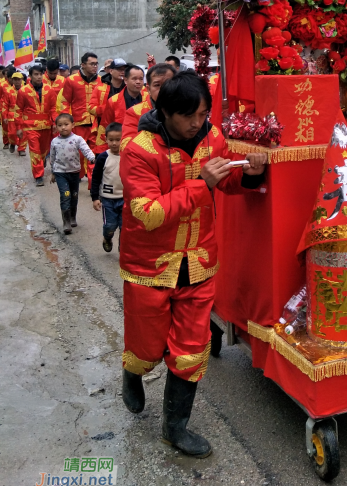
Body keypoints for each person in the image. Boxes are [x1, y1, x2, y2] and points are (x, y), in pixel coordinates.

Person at [119, 71, 266, 456]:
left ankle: (175, 427)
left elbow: (226, 181)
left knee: (190, 350)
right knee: (148, 347)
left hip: (199, 261)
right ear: (166, 111)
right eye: (189, 116)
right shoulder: (139, 150)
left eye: (203, 114)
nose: (197, 124)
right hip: (149, 267)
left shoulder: (213, 138)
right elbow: (147, 213)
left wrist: (249, 174)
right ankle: (133, 371)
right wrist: (202, 183)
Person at [50, 113, 96, 234]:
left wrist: (92, 158)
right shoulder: (54, 141)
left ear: (73, 125)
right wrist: (53, 172)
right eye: (60, 125)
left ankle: (72, 217)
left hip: (74, 172)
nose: (63, 127)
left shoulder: (77, 139)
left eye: (66, 124)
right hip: (60, 173)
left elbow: (86, 149)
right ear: (56, 127)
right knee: (65, 195)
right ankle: (66, 222)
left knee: (74, 195)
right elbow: (53, 157)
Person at [59, 52, 101, 181]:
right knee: (78, 153)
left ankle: (92, 182)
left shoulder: (100, 80)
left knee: (94, 152)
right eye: (91, 64)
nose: (95, 66)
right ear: (83, 65)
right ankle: (78, 175)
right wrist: (66, 121)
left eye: (96, 64)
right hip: (78, 122)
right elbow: (65, 101)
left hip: (95, 123)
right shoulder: (71, 80)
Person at [16, 64, 57, 186]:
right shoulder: (23, 91)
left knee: (44, 150)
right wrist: (19, 127)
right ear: (30, 76)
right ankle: (38, 175)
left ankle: (42, 161)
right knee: (35, 151)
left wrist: (55, 122)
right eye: (36, 74)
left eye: (40, 74)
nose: (39, 77)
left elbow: (53, 108)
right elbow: (18, 110)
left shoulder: (49, 89)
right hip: (30, 127)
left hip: (46, 125)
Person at [95, 65, 147, 153]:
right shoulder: (114, 101)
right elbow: (105, 126)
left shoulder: (148, 99)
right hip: (121, 148)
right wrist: (100, 152)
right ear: (125, 80)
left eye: (141, 79)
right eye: (134, 79)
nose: (138, 82)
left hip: (145, 146)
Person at [121, 62, 175, 142]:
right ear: (148, 89)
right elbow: (127, 146)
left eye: (168, 84)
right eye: (157, 85)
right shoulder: (134, 113)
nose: (163, 89)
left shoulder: (186, 109)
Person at [91, 122, 124, 253]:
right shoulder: (103, 157)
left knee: (124, 226)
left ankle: (123, 248)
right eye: (111, 140)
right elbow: (96, 178)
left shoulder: (128, 156)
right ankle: (107, 238)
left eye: (118, 140)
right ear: (106, 139)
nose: (114, 143)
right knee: (110, 226)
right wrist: (95, 197)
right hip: (108, 199)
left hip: (125, 198)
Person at [90, 58, 127, 146]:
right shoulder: (100, 88)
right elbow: (91, 108)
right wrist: (108, 109)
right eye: (119, 69)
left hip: (125, 127)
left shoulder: (128, 87)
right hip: (106, 127)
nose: (122, 72)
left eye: (124, 70)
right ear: (111, 71)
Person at [6, 70, 27, 156]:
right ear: (12, 80)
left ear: (22, 80)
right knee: (12, 133)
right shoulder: (8, 91)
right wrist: (4, 116)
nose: (17, 81)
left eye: (19, 79)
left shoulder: (26, 90)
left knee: (23, 133)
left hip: (23, 115)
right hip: (12, 115)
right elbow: (4, 104)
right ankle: (13, 143)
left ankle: (21, 149)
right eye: (15, 79)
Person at [0, 66, 11, 149]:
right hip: (4, 107)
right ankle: (6, 142)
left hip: (16, 110)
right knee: (5, 126)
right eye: (6, 74)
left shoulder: (20, 85)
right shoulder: (2, 85)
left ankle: (20, 147)